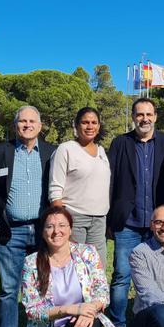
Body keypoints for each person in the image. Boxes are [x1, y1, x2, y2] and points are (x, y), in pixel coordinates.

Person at [0, 105, 58, 327]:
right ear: (15, 125)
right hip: (10, 232)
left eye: (32, 121)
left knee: (43, 287)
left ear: (40, 126)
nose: (27, 125)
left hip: (43, 232)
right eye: (22, 121)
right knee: (9, 289)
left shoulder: (52, 152)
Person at [107, 98, 164, 327]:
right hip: (128, 222)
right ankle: (117, 323)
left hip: (160, 224)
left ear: (156, 116)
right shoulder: (120, 143)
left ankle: (154, 321)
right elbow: (111, 180)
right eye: (139, 115)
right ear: (133, 117)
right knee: (122, 276)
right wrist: (110, 217)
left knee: (158, 276)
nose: (144, 119)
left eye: (148, 114)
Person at [20, 206, 119, 327]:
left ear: (70, 229)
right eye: (50, 226)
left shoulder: (87, 252)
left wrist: (88, 311)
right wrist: (69, 309)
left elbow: (102, 292)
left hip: (83, 319)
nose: (56, 231)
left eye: (62, 225)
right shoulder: (31, 263)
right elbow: (32, 310)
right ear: (42, 232)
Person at [49, 107, 111, 270]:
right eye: (85, 122)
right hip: (74, 217)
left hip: (99, 219)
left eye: (93, 122)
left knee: (97, 268)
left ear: (98, 126)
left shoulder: (102, 151)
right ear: (76, 126)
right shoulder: (66, 149)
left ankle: (95, 297)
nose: (89, 126)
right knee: (74, 268)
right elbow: (56, 187)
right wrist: (61, 221)